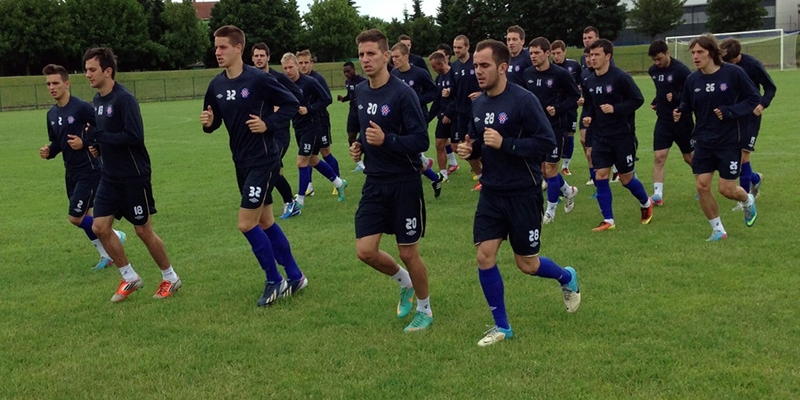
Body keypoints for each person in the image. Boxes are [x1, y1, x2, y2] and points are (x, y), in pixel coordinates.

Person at [456, 39, 580, 347]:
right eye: (475, 66)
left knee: (527, 265)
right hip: (491, 193)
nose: (478, 71)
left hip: (523, 193)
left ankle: (566, 277)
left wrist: (507, 143)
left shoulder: (523, 100)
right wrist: (470, 150)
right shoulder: (479, 103)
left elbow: (547, 142)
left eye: (484, 66)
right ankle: (502, 327)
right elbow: (481, 143)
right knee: (485, 256)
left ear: (502, 67)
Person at [200, 25, 305, 306]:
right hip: (241, 161)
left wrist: (267, 124)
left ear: (238, 49)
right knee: (265, 220)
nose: (217, 51)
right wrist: (209, 125)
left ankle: (275, 280)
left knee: (246, 224)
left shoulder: (258, 79)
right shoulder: (216, 85)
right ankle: (295, 275)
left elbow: (292, 103)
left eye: (223, 47)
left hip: (264, 158)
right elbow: (214, 120)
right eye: (216, 46)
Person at [349, 29, 433, 332]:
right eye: (361, 54)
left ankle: (425, 310)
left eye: (371, 53)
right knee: (365, 250)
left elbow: (421, 139)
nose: (365, 59)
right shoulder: (360, 92)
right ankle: (404, 282)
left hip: (404, 182)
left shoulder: (403, 93)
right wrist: (359, 145)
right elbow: (365, 131)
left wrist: (387, 139)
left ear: (387, 56)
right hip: (374, 181)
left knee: (408, 251)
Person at [83, 47, 180, 302]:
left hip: (134, 176)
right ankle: (129, 277)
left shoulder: (124, 99)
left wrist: (100, 137)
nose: (87, 74)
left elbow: (134, 137)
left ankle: (170, 277)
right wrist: (97, 148)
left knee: (142, 231)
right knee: (100, 227)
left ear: (108, 71)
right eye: (86, 70)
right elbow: (107, 137)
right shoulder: (98, 100)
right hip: (109, 176)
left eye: (92, 69)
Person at [39, 63, 126, 270]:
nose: (52, 87)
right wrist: (49, 151)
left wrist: (86, 143)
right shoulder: (51, 115)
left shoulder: (81, 108)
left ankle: (115, 235)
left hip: (89, 170)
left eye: (56, 83)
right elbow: (59, 142)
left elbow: (102, 129)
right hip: (70, 172)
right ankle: (106, 255)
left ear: (66, 84)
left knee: (75, 217)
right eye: (48, 84)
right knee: (85, 216)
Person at [674, 34, 760, 240]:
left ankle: (747, 200)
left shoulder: (733, 74)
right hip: (703, 139)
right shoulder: (692, 79)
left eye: (700, 52)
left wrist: (730, 111)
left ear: (711, 53)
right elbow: (686, 103)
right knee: (702, 185)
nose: (695, 56)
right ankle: (718, 230)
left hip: (729, 140)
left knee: (726, 189)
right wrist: (680, 111)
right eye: (693, 52)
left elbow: (753, 99)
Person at [582, 39, 652, 231]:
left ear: (608, 56)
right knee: (601, 176)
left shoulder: (620, 77)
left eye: (597, 55)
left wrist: (615, 108)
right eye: (590, 55)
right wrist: (588, 117)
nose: (592, 59)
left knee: (626, 179)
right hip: (600, 136)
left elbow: (638, 99)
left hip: (623, 136)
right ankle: (608, 220)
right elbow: (589, 106)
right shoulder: (588, 81)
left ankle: (646, 203)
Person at [522, 37, 581, 225]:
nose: (533, 56)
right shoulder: (528, 74)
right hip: (535, 129)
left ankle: (550, 212)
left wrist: (558, 108)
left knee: (551, 169)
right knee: (543, 171)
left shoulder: (561, 74)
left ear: (547, 53)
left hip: (556, 128)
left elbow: (575, 96)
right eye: (531, 53)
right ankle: (568, 191)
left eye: (537, 53)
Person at [281, 52, 346, 215]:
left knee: (301, 162)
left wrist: (309, 109)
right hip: (298, 126)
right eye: (285, 68)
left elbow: (326, 99)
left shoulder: (310, 82)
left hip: (313, 126)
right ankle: (339, 183)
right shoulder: (285, 84)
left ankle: (300, 200)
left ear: (296, 66)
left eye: (291, 67)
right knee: (313, 160)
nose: (288, 71)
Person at [719, 38, 775, 208]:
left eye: (732, 61)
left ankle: (744, 200)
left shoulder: (753, 65)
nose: (729, 65)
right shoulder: (724, 67)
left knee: (743, 155)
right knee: (733, 154)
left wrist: (762, 103)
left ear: (738, 56)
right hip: (733, 114)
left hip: (751, 114)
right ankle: (755, 179)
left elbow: (770, 87)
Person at [251, 42, 303, 219]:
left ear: (268, 57)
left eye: (262, 55)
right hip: (259, 133)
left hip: (279, 133)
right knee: (273, 168)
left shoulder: (278, 78)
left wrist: (278, 107)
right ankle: (281, 202)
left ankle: (288, 202)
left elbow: (298, 95)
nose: (259, 59)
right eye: (256, 56)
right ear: (252, 58)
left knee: (270, 167)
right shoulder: (250, 77)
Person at [647, 39, 694, 206]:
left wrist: (676, 98)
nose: (657, 63)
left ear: (668, 53)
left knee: (690, 158)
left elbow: (691, 94)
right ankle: (657, 195)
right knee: (659, 157)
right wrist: (657, 101)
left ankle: (703, 185)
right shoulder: (653, 71)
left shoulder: (682, 70)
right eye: (654, 60)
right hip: (664, 121)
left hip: (683, 121)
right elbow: (661, 91)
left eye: (659, 58)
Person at [297, 50, 341, 195]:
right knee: (308, 155)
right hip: (306, 124)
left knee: (325, 151)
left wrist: (310, 109)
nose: (303, 66)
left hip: (321, 120)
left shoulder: (317, 79)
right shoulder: (296, 80)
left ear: (311, 63)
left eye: (306, 63)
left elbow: (327, 99)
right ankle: (308, 186)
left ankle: (338, 181)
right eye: (300, 63)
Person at [451, 34, 483, 190]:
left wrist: (480, 93)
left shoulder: (476, 63)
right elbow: (453, 90)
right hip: (461, 113)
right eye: (454, 47)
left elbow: (490, 82)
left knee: (480, 146)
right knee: (463, 147)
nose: (456, 50)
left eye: (459, 47)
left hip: (478, 111)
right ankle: (483, 178)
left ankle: (492, 174)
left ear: (467, 47)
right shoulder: (454, 67)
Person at [550, 39, 582, 176]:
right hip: (555, 108)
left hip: (570, 107)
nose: (556, 56)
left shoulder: (573, 65)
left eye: (558, 53)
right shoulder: (549, 68)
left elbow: (582, 82)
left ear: (564, 52)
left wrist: (581, 95)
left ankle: (565, 165)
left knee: (570, 135)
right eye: (553, 53)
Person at [428, 51, 460, 182]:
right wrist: (427, 118)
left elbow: (459, 96)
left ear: (441, 63)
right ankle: (443, 175)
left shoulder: (454, 75)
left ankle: (481, 169)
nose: (434, 70)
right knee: (439, 144)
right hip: (442, 117)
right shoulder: (439, 78)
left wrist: (449, 113)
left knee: (456, 147)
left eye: (435, 67)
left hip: (455, 117)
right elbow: (437, 100)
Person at [338, 61, 368, 172]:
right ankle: (360, 163)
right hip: (353, 113)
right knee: (351, 136)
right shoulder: (348, 82)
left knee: (365, 136)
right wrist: (343, 99)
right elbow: (350, 96)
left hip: (363, 111)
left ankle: (369, 159)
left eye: (348, 71)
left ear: (354, 69)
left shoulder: (363, 81)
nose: (346, 73)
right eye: (344, 72)